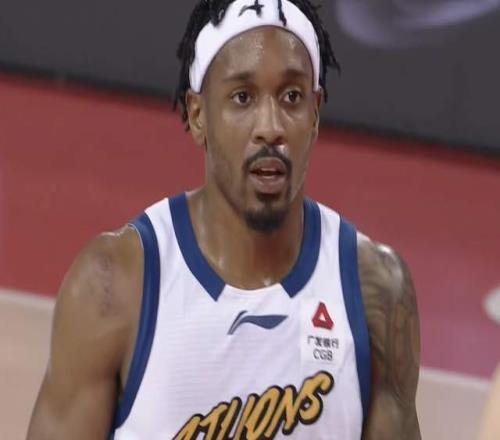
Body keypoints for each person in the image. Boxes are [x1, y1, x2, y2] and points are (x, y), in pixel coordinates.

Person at [27, 0, 421, 438]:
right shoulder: (113, 285)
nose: (270, 126)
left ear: (315, 113)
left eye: (291, 97)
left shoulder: (375, 292)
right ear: (198, 115)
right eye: (242, 97)